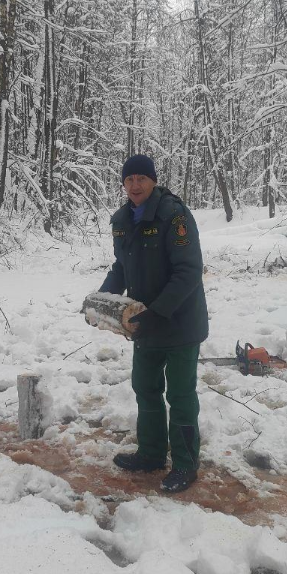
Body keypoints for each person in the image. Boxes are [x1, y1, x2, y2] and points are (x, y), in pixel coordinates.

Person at [100, 154, 209, 493]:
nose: (135, 185)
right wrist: (103, 299)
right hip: (143, 322)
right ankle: (150, 454)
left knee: (179, 394)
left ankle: (185, 464)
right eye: (129, 179)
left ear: (153, 181)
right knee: (145, 389)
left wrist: (157, 312)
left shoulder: (173, 215)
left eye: (141, 179)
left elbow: (188, 270)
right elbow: (122, 266)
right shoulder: (122, 219)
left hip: (179, 322)